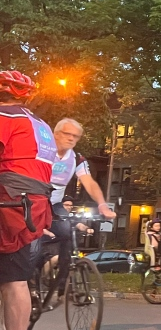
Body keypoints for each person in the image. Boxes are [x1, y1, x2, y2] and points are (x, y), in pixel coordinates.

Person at [0, 70, 57, 330]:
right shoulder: (41, 125)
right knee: (15, 280)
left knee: (12, 282)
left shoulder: (4, 118)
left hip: (6, 202)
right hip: (31, 208)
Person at [45, 117, 116, 302]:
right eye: (67, 134)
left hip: (55, 204)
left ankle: (64, 288)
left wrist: (102, 204)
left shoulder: (76, 159)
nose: (71, 139)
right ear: (55, 134)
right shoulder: (43, 151)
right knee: (31, 240)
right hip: (35, 201)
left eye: (75, 136)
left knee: (68, 232)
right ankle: (32, 277)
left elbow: (89, 183)